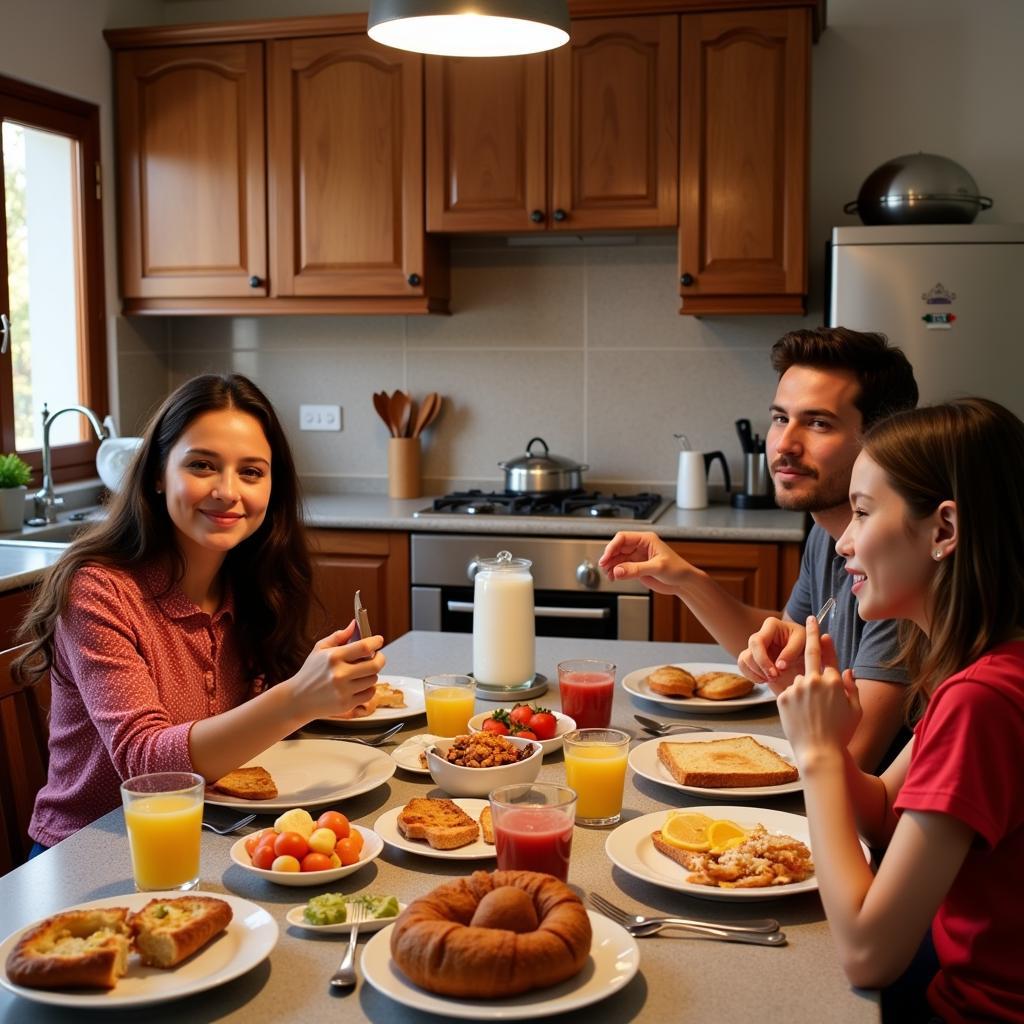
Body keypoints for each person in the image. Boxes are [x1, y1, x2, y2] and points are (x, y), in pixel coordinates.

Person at [16, 373, 385, 850]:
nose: (228, 492)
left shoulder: (250, 581)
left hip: (213, 834)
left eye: (251, 472)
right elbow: (147, 766)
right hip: (90, 852)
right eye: (203, 465)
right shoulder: (98, 590)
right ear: (155, 474)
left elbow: (253, 724)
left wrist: (331, 695)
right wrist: (298, 698)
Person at [773, 398, 1024, 1021]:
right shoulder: (983, 666)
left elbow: (867, 955)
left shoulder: (983, 701)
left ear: (944, 530)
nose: (845, 544)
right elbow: (887, 817)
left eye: (861, 513)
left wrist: (821, 755)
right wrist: (826, 732)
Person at [599, 327, 919, 771]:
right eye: (780, 418)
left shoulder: (903, 572)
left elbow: (856, 759)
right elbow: (780, 650)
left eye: (818, 422)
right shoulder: (826, 534)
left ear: (881, 438)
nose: (785, 444)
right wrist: (687, 582)